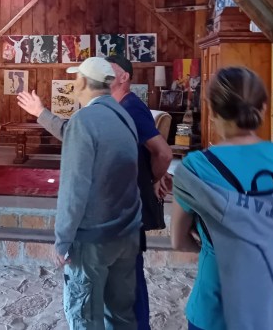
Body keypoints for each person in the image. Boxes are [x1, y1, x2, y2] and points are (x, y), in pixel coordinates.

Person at [19, 55, 172, 330]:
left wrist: (62, 240)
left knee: (86, 317)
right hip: (126, 234)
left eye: (76, 79)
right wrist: (42, 113)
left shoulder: (86, 119)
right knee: (122, 316)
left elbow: (74, 188)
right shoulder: (123, 116)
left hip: (94, 240)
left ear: (83, 83)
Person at [170, 67, 273, 330]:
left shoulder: (195, 168)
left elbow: (178, 241)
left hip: (216, 304)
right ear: (263, 108)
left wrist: (212, 248)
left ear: (212, 111)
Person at [105, 55, 172, 330]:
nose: (105, 75)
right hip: (124, 201)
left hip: (131, 204)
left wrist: (154, 178)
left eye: (111, 71)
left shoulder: (131, 107)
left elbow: (163, 153)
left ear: (125, 77)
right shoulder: (117, 106)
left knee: (130, 276)